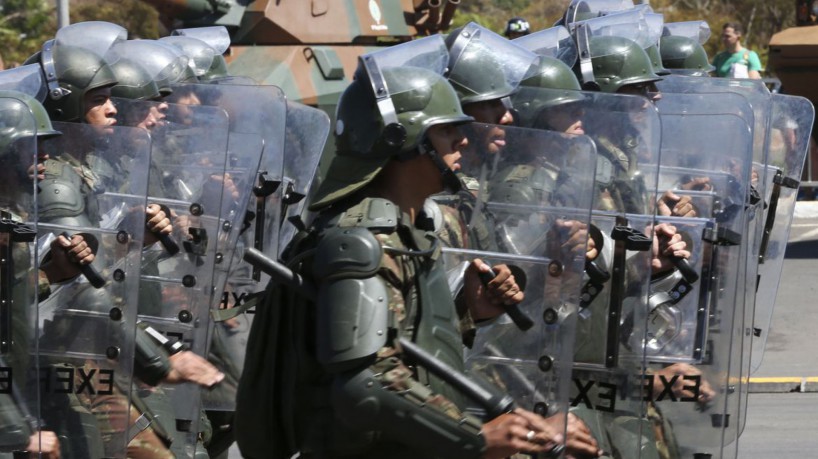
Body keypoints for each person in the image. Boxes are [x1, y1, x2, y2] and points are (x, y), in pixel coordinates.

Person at [235, 44, 578, 456]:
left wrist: (470, 310)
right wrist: (477, 437)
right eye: (448, 130)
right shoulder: (361, 241)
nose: (464, 140)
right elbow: (365, 385)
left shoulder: (404, 230)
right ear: (405, 139)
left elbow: (398, 340)